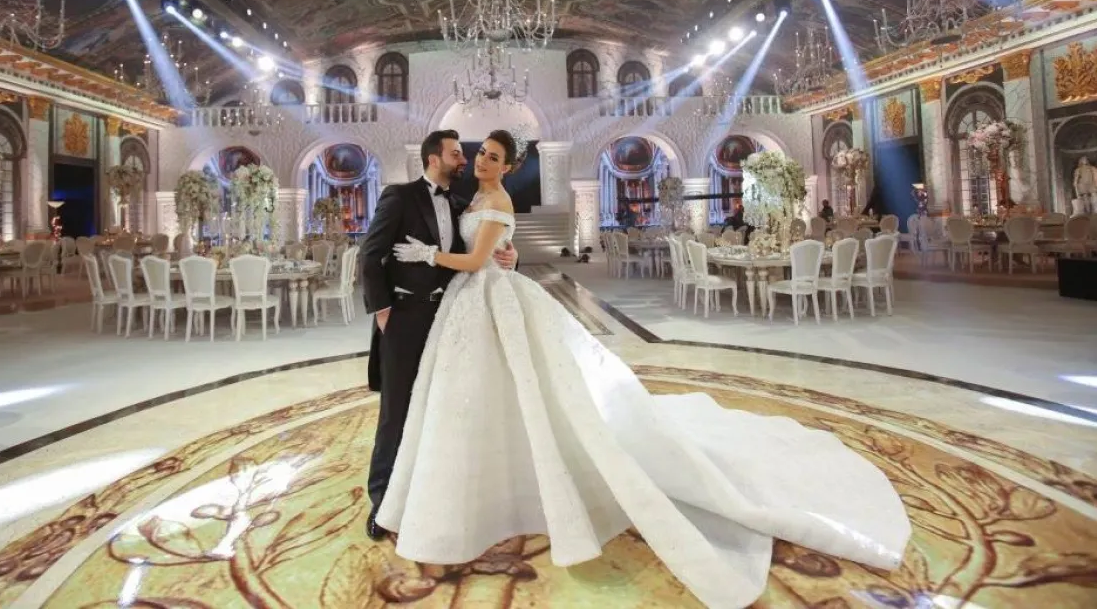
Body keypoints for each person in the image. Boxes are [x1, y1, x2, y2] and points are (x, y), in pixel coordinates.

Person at [376, 129, 911, 609]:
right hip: (461, 305)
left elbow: (476, 256)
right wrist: (497, 253)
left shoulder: (494, 198)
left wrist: (434, 255)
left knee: (518, 391)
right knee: (464, 399)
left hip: (483, 293)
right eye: (474, 155)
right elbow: (475, 245)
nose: (477, 161)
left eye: (490, 157)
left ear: (508, 165)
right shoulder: (464, 197)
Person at [359, 129, 518, 542]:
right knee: (396, 411)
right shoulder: (400, 196)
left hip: (449, 315)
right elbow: (370, 254)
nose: (466, 160)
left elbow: (482, 251)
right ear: (434, 158)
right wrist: (383, 310)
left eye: (475, 155)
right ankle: (382, 502)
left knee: (439, 406)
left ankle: (426, 488)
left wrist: (510, 254)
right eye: (457, 154)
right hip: (405, 316)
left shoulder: (465, 203)